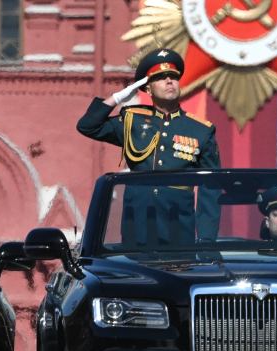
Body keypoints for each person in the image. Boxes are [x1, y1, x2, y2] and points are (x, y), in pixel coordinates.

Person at [76, 48, 221, 243]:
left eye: (173, 77)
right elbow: (88, 126)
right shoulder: (132, 121)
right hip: (136, 225)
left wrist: (206, 237)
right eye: (161, 78)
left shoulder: (201, 130)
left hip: (177, 226)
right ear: (148, 89)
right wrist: (118, 98)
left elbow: (211, 187)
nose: (169, 81)